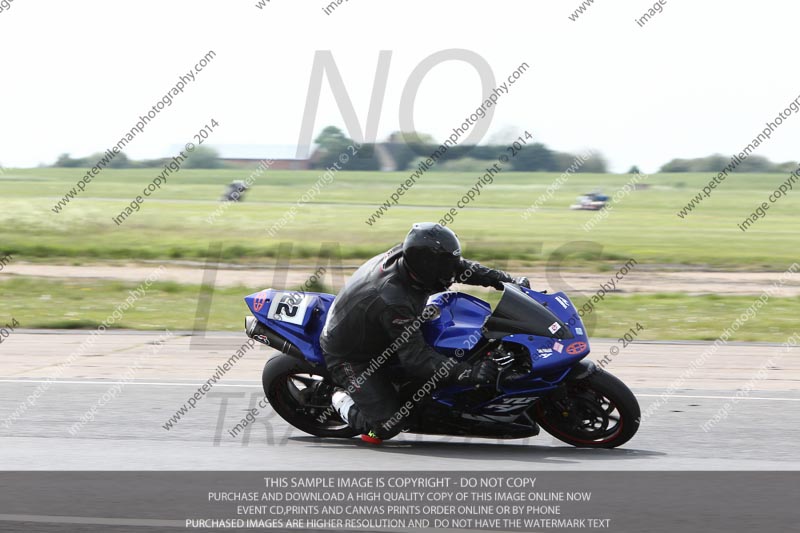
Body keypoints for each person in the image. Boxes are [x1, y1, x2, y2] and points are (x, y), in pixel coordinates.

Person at [320, 222, 530, 444]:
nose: (451, 271)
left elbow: (460, 267)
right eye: (445, 266)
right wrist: (468, 373)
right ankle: (338, 398)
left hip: (374, 326)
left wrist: (506, 281)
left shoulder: (412, 258)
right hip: (351, 356)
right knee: (385, 426)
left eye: (449, 263)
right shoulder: (395, 300)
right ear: (426, 266)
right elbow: (416, 359)